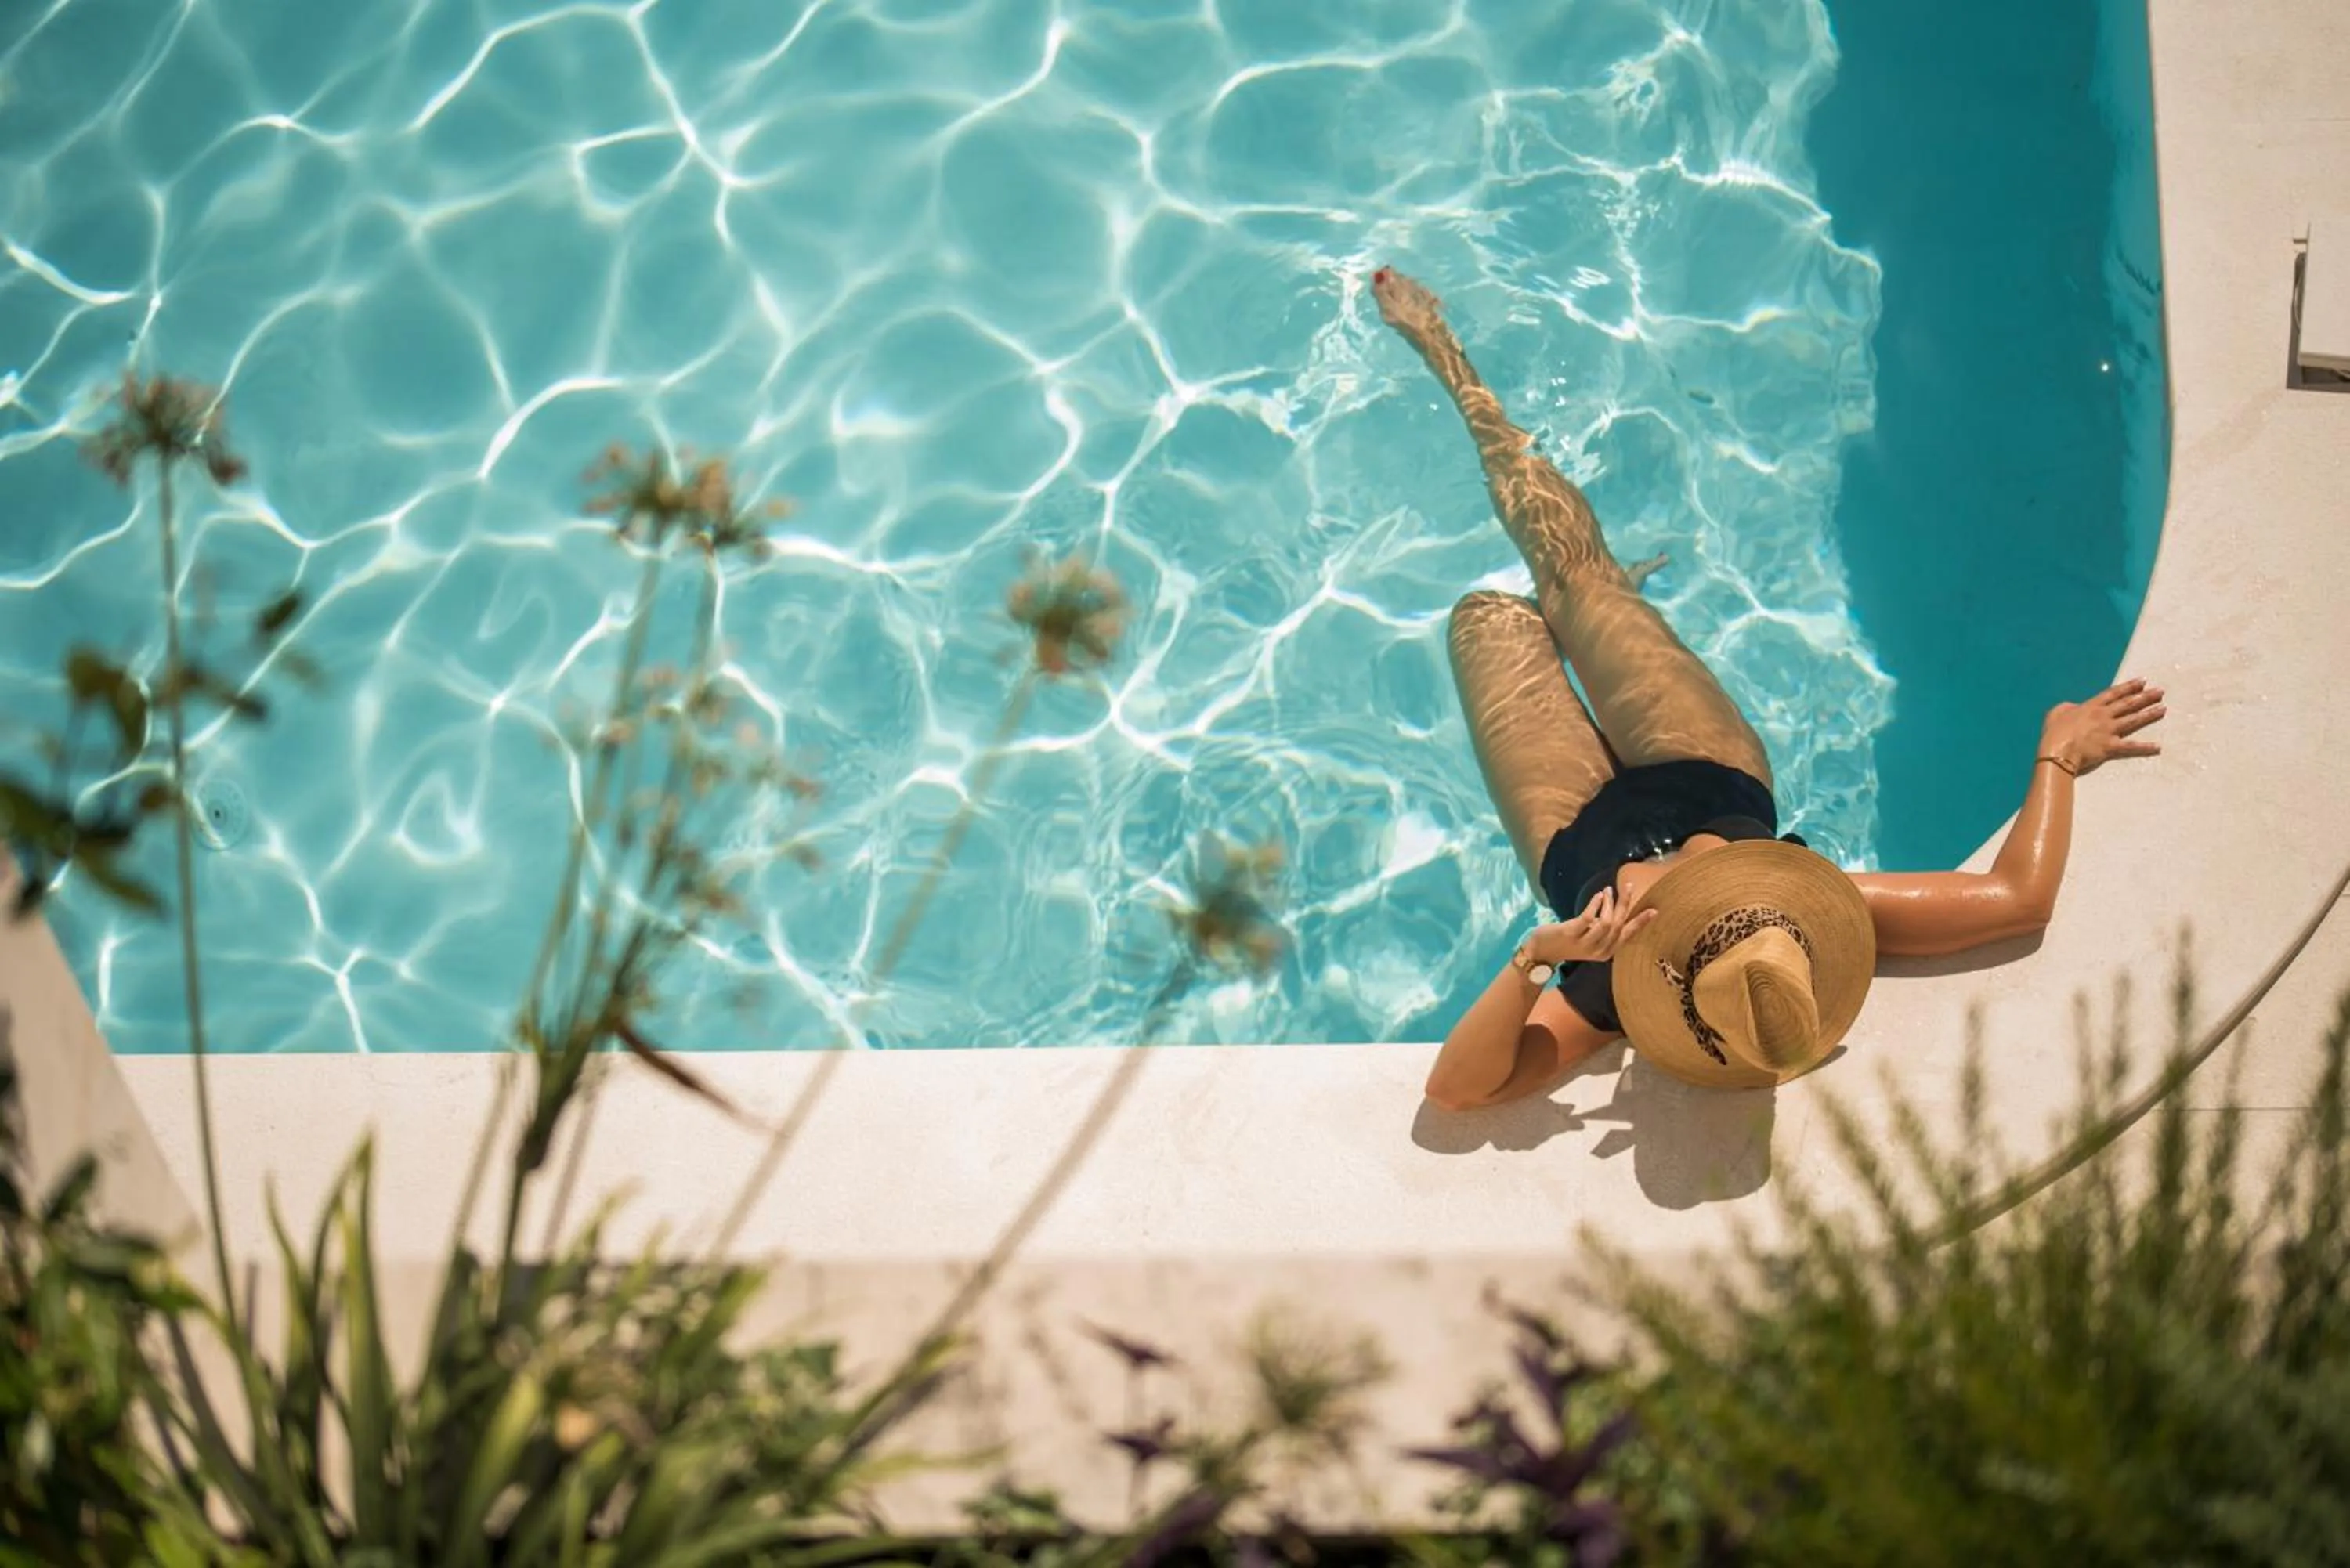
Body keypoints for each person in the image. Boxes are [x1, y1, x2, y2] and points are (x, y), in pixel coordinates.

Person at [1365, 266, 2170, 1107]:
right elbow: (2016, 899)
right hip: (1701, 773)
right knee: (1574, 578)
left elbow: (1458, 1091)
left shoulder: (1612, 988)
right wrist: (2057, 760)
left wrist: (1536, 959)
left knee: (1489, 617)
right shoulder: (1796, 913)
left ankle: (1598, 620)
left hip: (1575, 834)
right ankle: (1446, 355)